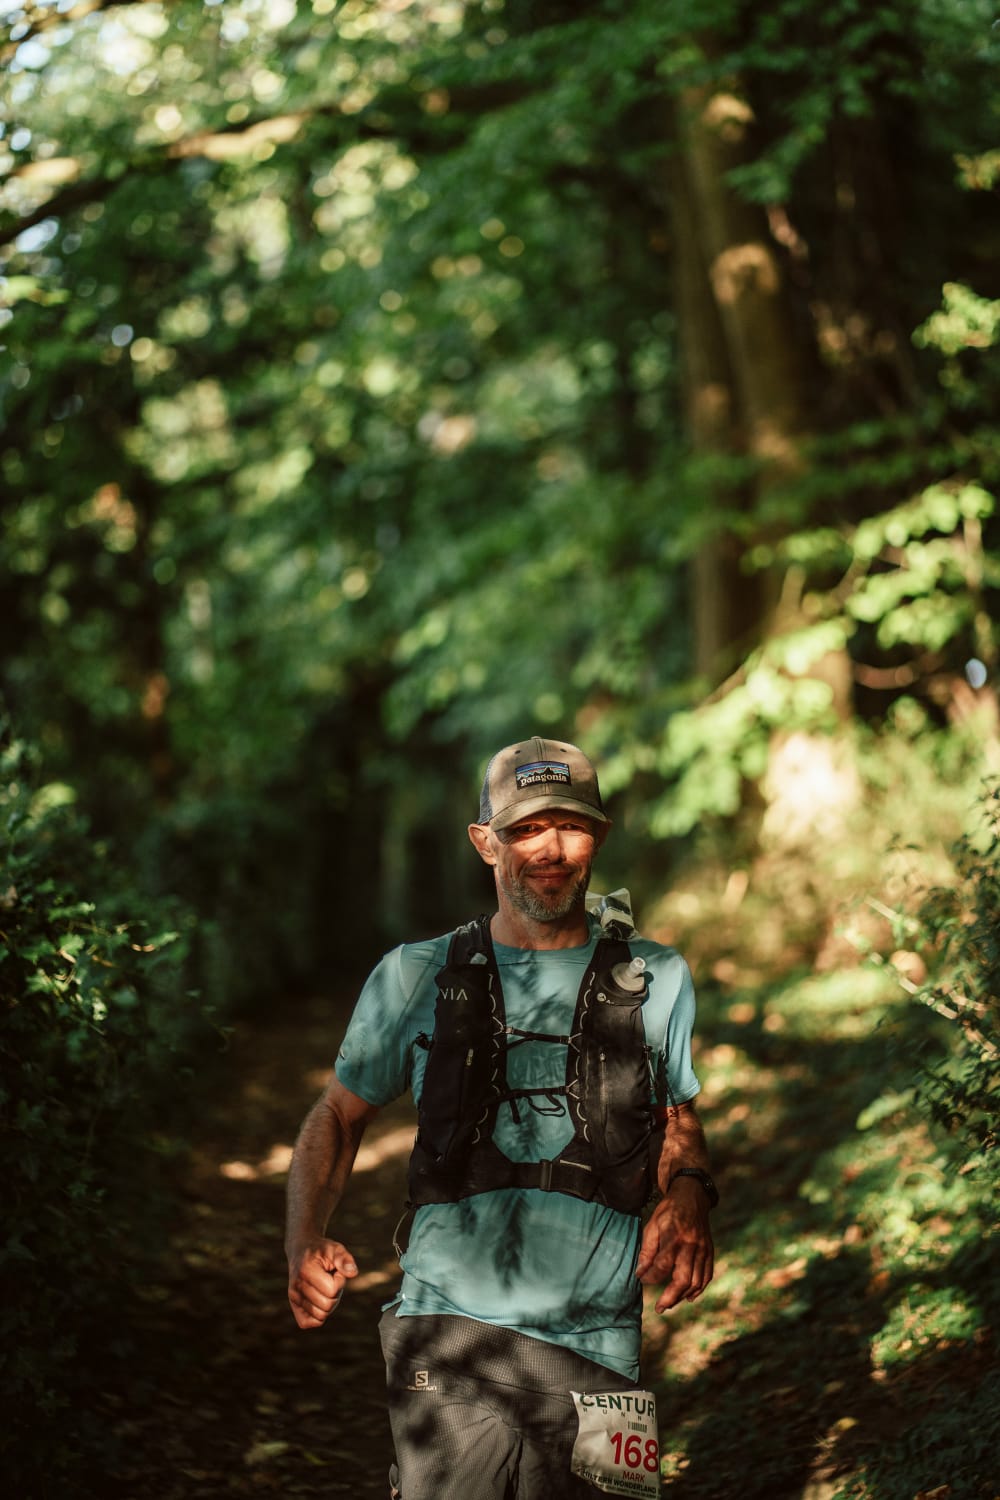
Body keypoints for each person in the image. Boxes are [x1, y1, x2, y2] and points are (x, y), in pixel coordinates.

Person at [285, 736, 716, 1499]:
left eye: (571, 826)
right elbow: (338, 1116)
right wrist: (303, 1239)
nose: (551, 849)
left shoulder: (658, 979)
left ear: (600, 837)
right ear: (486, 842)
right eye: (526, 829)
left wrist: (688, 1194)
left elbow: (677, 1119)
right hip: (448, 1337)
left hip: (605, 1347)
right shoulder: (414, 974)